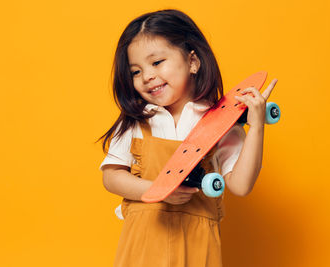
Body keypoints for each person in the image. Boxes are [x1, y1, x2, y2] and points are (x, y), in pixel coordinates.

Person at [97, 8, 277, 267]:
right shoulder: (136, 120)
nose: (146, 76)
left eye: (157, 62)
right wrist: (157, 191)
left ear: (192, 62)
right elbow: (111, 176)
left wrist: (257, 126)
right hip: (144, 244)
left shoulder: (220, 121)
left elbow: (240, 185)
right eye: (135, 71)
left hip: (197, 245)